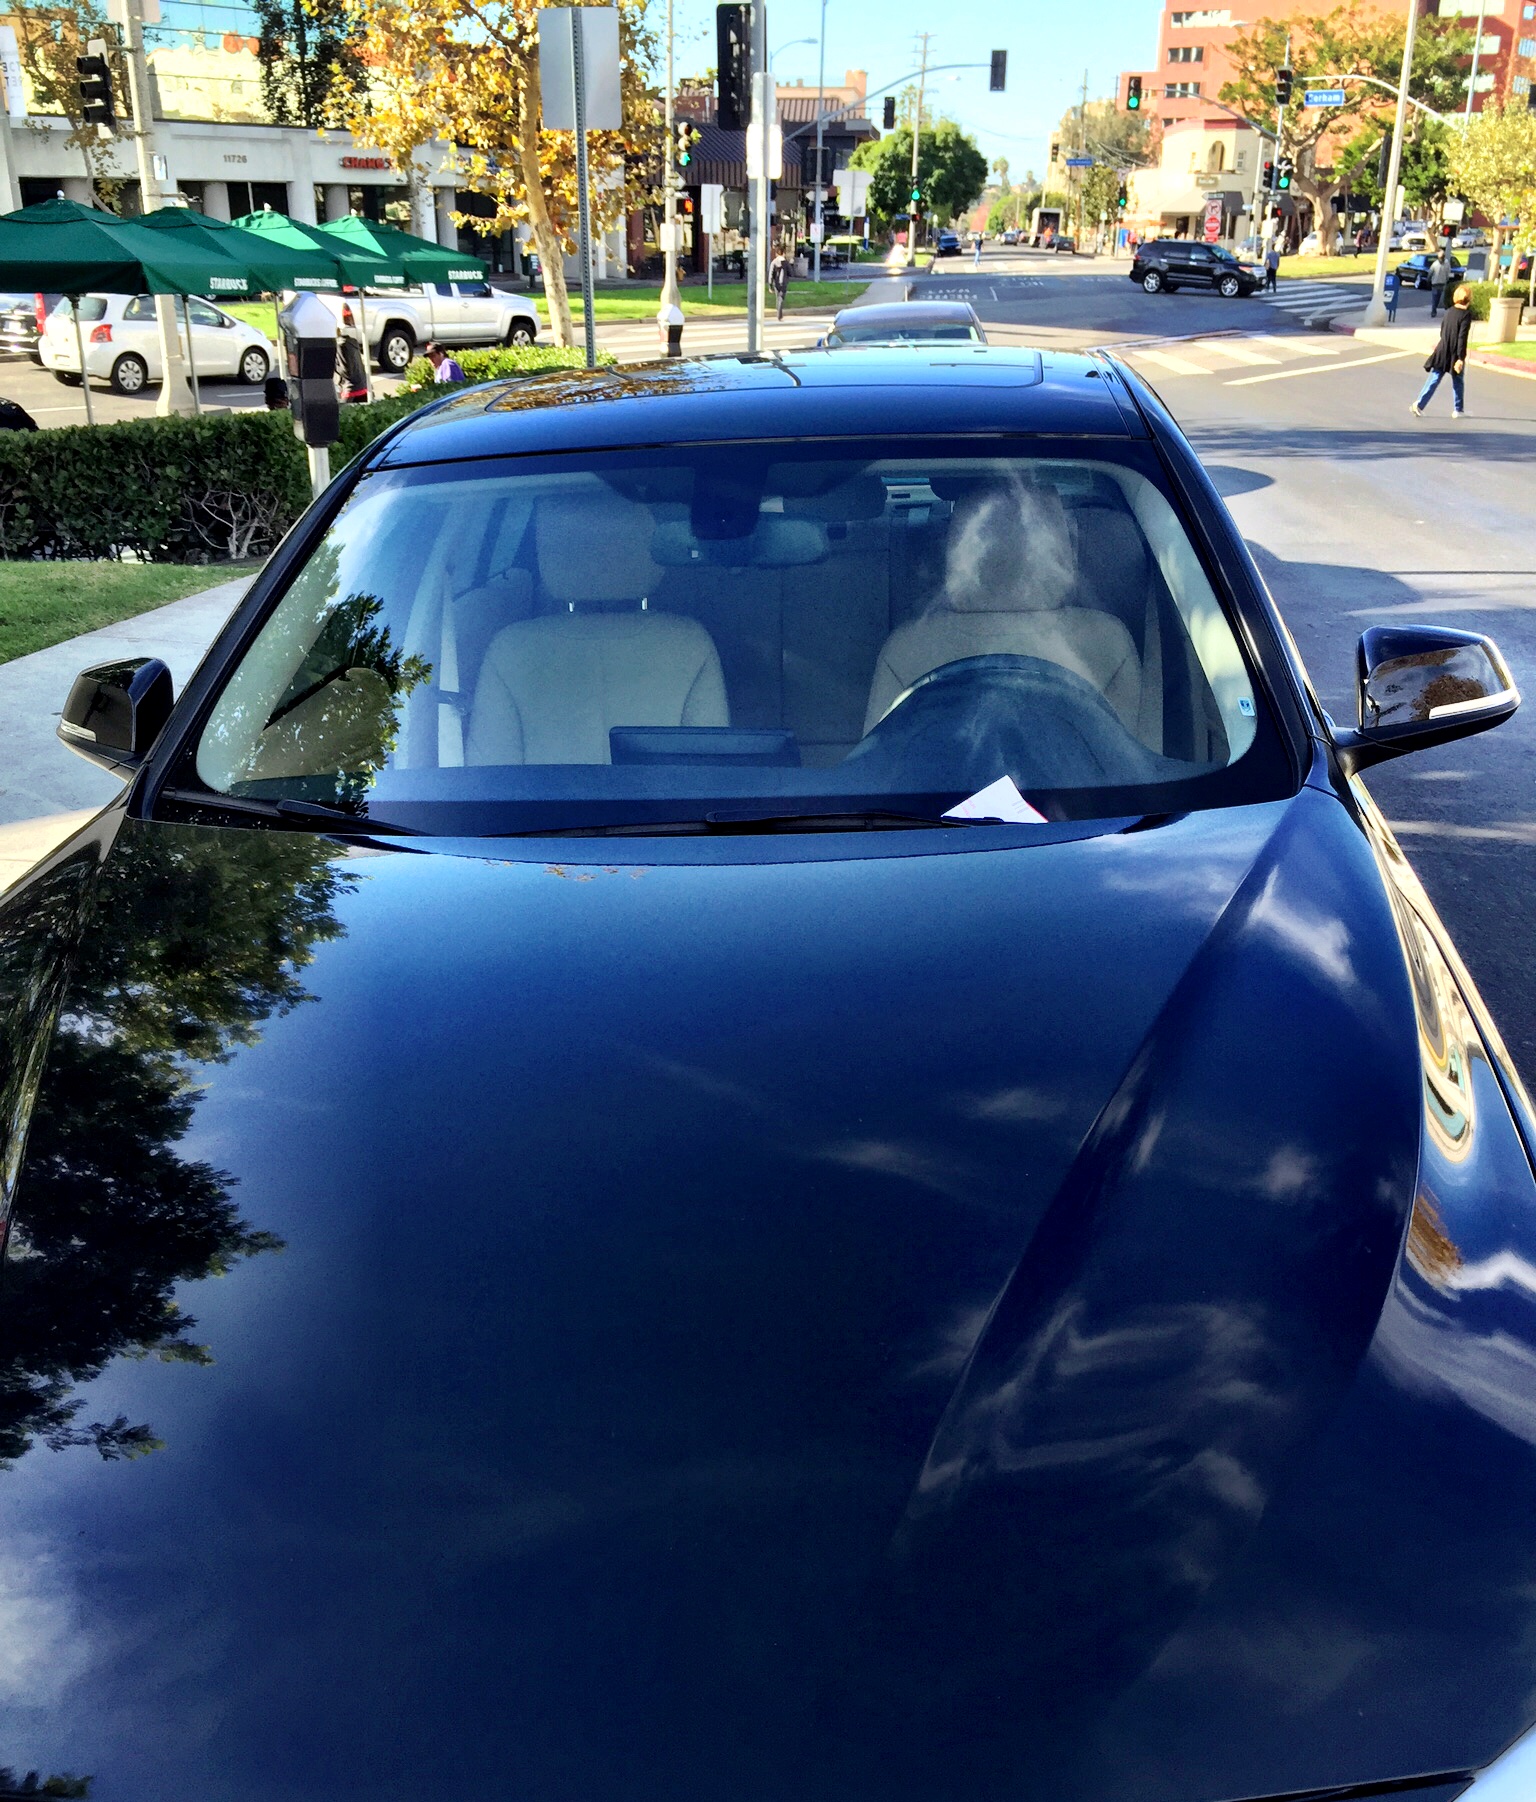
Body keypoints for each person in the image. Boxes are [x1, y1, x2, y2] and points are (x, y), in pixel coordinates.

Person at [1413, 283, 1472, 418]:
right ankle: (1458, 409)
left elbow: (1443, 331)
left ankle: (1419, 404)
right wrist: (1460, 358)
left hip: (1442, 349)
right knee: (1458, 380)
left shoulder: (1449, 311)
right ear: (1468, 299)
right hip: (1454, 353)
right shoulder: (1466, 315)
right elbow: (1462, 337)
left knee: (1434, 378)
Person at [768, 245, 790, 321]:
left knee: (778, 298)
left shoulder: (774, 262)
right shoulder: (786, 262)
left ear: (776, 253)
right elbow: (791, 272)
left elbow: (771, 274)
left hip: (776, 282)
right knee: (781, 298)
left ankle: (778, 312)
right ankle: (779, 315)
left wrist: (770, 285)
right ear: (783, 253)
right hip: (783, 282)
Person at [1429, 250, 1450, 319]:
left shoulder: (1445, 264)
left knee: (1438, 298)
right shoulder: (1436, 264)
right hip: (1436, 283)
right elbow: (1430, 272)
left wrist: (1447, 279)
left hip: (1441, 283)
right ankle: (1433, 311)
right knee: (1435, 298)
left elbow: (1448, 272)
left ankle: (1435, 310)